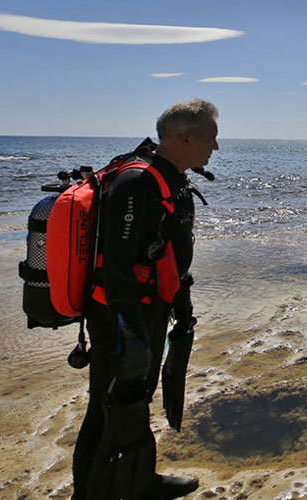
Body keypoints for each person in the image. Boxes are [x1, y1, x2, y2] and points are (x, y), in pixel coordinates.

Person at [72, 99, 218, 499]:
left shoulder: (171, 177)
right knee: (106, 406)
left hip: (149, 309)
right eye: (211, 138)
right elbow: (117, 266)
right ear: (185, 138)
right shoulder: (137, 182)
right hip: (118, 316)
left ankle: (139, 481)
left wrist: (180, 304)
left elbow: (166, 251)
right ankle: (86, 493)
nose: (215, 147)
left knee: (138, 399)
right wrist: (131, 333)